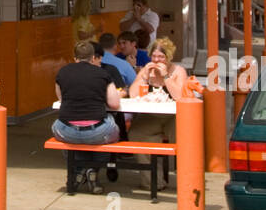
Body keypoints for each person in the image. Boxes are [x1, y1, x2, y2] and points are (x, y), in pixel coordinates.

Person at [52, 40, 122, 193]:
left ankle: (78, 171)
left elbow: (61, 99)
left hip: (67, 131)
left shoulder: (62, 72)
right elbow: (115, 104)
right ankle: (93, 169)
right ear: (93, 58)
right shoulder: (103, 74)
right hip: (96, 131)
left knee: (64, 131)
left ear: (75, 57)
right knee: (112, 126)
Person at [127, 38, 195, 188]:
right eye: (154, 56)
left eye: (161, 57)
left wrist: (165, 77)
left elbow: (180, 96)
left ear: (169, 57)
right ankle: (153, 182)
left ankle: (188, 180)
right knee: (136, 134)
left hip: (174, 117)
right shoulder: (147, 70)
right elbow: (132, 94)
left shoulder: (178, 71)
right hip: (151, 117)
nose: (157, 60)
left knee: (186, 139)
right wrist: (144, 76)